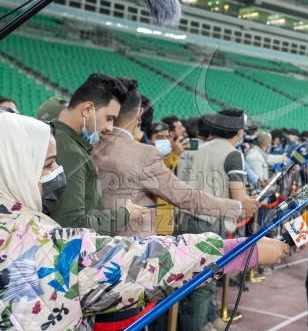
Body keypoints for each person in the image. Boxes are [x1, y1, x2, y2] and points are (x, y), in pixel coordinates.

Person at [0, 112, 288, 330]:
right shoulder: (46, 243)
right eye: (47, 165)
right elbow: (149, 263)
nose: (58, 173)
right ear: (10, 168)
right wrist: (241, 249)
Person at [92, 77, 259, 239]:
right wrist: (237, 207)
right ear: (139, 114)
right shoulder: (144, 154)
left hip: (90, 243)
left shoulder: (89, 144)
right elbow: (184, 196)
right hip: (131, 248)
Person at [182, 108, 255, 331]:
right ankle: (199, 326)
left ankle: (208, 319)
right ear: (240, 131)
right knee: (204, 282)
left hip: (186, 219)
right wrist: (251, 203)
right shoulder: (233, 154)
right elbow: (240, 198)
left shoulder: (196, 147)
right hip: (211, 222)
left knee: (192, 278)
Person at [50, 73, 146, 234]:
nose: (110, 127)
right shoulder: (70, 151)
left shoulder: (58, 138)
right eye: (109, 118)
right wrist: (125, 214)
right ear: (87, 109)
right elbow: (71, 225)